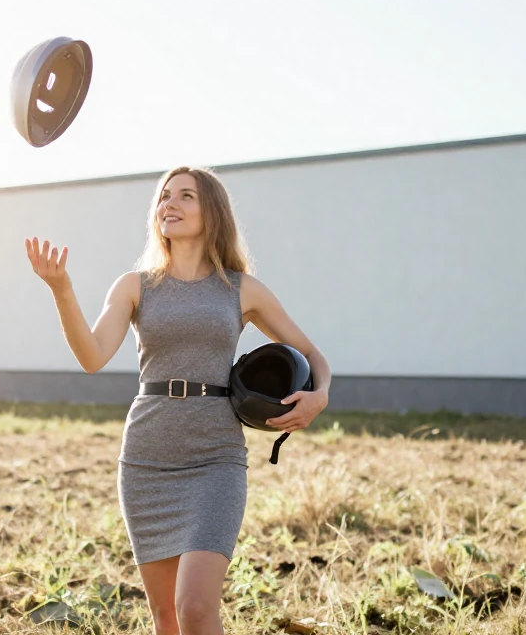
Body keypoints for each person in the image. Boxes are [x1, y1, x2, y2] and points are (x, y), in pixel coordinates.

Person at [24, 166, 331, 635]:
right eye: (165, 196)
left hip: (215, 459)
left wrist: (320, 395)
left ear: (212, 213)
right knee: (166, 617)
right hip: (147, 459)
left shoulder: (240, 288)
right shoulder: (134, 286)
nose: (171, 203)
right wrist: (61, 289)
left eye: (186, 196)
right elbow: (91, 355)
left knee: (195, 608)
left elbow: (311, 354)